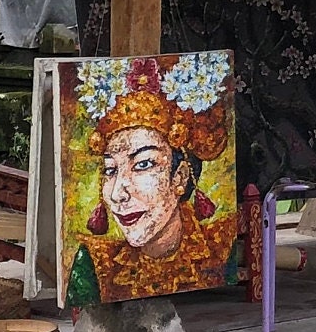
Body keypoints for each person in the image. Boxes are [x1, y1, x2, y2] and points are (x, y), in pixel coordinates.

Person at [63, 55, 240, 305]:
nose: (118, 194)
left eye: (143, 164)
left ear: (179, 177)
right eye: (110, 170)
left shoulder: (222, 246)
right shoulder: (94, 264)